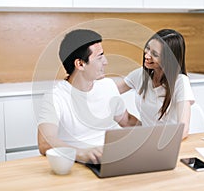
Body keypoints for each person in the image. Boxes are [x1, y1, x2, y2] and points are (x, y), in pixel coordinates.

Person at [37, 29, 139, 164]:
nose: (105, 62)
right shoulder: (55, 97)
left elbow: (127, 121)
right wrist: (80, 153)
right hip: (78, 164)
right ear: (80, 64)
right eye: (99, 57)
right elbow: (45, 142)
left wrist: (155, 134)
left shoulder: (107, 86)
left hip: (112, 159)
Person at [116, 29, 195, 139]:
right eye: (147, 48)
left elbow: (183, 130)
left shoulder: (180, 82)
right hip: (148, 142)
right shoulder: (140, 75)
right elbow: (111, 90)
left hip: (169, 143)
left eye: (155, 54)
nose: (147, 55)